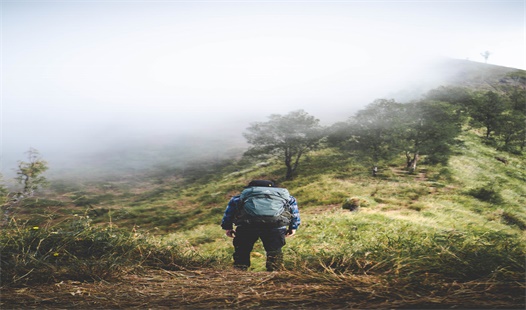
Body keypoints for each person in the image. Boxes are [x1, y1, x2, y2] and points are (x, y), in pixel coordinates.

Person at [221, 180, 301, 271]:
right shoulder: (287, 197)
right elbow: (294, 213)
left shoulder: (239, 197)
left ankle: (240, 271)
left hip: (247, 226)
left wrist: (227, 227)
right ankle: (274, 274)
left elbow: (229, 213)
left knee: (242, 250)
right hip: (275, 226)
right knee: (274, 251)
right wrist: (293, 227)